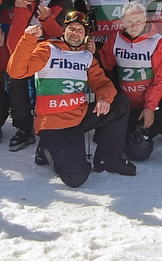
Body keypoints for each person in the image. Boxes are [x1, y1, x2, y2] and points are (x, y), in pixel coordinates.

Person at [7, 10, 135, 187]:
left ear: (85, 35)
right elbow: (16, 71)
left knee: (120, 103)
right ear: (63, 31)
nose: (75, 33)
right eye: (71, 28)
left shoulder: (86, 56)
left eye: (80, 30)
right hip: (54, 124)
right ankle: (45, 149)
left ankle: (107, 159)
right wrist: (28, 39)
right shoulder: (47, 49)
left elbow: (103, 83)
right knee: (76, 178)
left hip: (79, 116)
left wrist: (104, 98)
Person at [0, 0, 70, 151]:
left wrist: (47, 20)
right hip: (19, 48)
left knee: (48, 91)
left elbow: (62, 33)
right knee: (17, 91)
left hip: (46, 52)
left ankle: (49, 127)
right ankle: (24, 129)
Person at [100, 1, 162, 169]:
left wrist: (150, 107)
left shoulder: (158, 42)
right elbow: (106, 66)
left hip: (151, 100)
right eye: (129, 22)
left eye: (138, 21)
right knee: (138, 152)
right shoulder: (115, 40)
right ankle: (157, 124)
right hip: (127, 102)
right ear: (123, 22)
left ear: (145, 20)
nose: (133, 25)